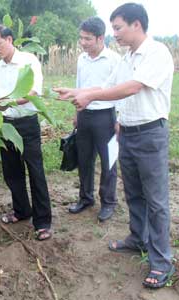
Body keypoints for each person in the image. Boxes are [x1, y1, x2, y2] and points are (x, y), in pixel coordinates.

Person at [54, 3, 175, 289]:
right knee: (133, 192)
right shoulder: (127, 57)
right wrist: (77, 92)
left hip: (150, 134)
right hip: (128, 133)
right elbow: (106, 85)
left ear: (137, 25)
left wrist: (89, 98)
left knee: (156, 200)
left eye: (118, 28)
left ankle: (161, 261)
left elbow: (131, 87)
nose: (115, 34)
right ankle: (137, 238)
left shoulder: (157, 53)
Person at [0, 25, 52, 241]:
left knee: (35, 171)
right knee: (12, 171)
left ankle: (43, 222)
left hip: (26, 124)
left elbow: (32, 92)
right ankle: (22, 211)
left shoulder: (28, 61)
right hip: (5, 124)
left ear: (9, 39)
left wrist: (7, 102)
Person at [69, 17, 120, 222]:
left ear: (100, 38)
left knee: (108, 161)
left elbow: (120, 90)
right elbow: (79, 85)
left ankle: (108, 202)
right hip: (85, 115)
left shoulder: (114, 60)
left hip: (105, 116)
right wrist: (76, 112)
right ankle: (86, 198)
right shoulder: (82, 59)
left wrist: (119, 119)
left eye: (87, 39)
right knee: (84, 159)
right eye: (81, 38)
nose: (83, 42)